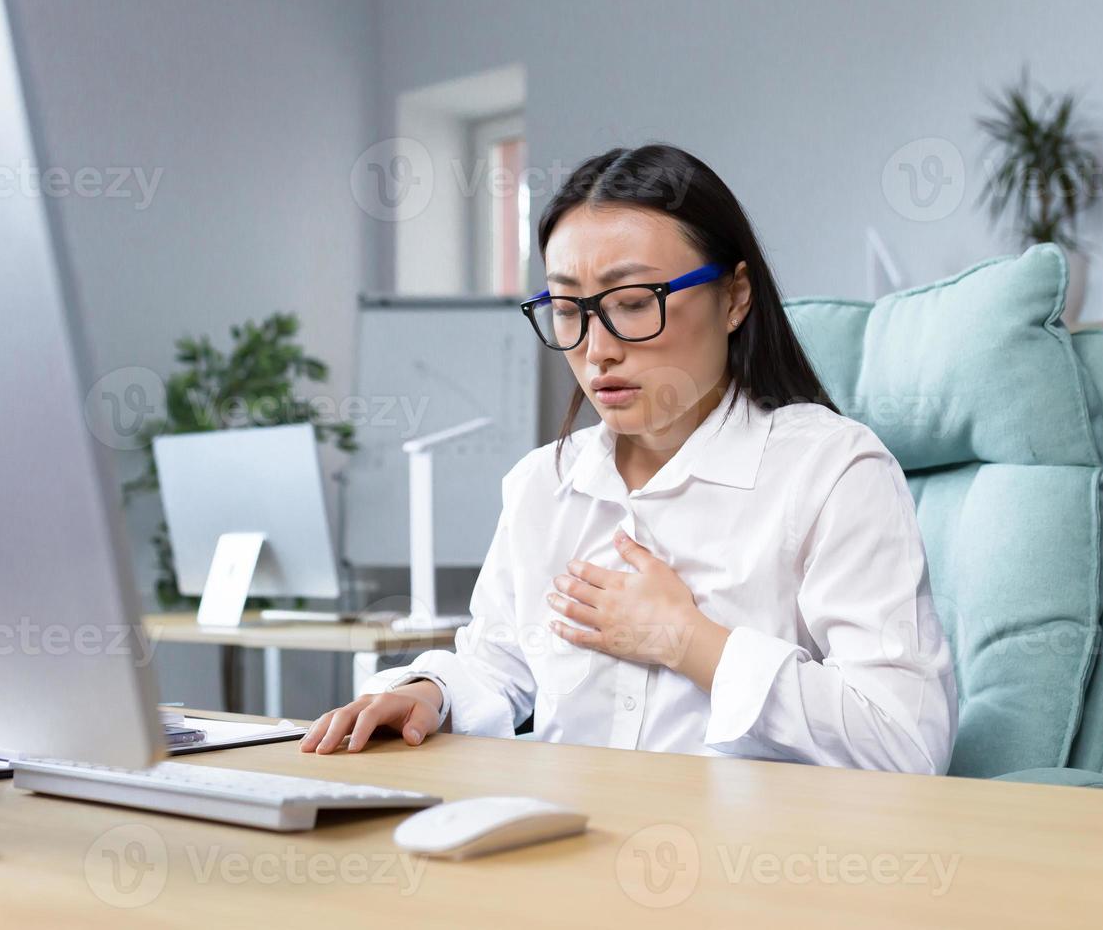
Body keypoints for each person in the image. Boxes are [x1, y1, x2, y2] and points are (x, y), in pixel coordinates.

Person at [301, 143, 957, 773]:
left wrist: (687, 640)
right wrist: (426, 692)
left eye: (635, 303)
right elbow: (499, 662)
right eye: (567, 310)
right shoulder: (542, 484)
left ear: (734, 297)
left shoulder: (831, 470)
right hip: (563, 847)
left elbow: (905, 742)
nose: (597, 350)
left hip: (753, 866)